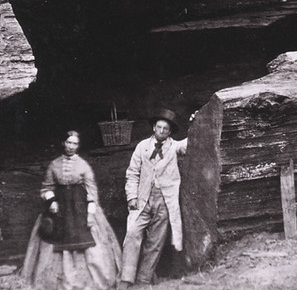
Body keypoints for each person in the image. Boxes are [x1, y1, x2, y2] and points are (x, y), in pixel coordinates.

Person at [22, 131, 122, 290]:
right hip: (60, 209)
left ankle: (87, 281)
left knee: (87, 239)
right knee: (54, 239)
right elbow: (46, 187)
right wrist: (51, 200)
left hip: (79, 207)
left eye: (74, 144)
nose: (71, 147)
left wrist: (90, 213)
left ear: (78, 146)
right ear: (63, 143)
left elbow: (92, 191)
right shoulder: (54, 164)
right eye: (69, 143)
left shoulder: (83, 165)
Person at [119, 109, 187, 288]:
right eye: (159, 127)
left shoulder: (174, 146)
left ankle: (143, 280)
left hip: (164, 202)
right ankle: (126, 280)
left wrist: (196, 121)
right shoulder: (142, 146)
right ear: (153, 128)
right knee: (132, 235)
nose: (162, 131)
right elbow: (132, 173)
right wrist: (132, 197)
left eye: (166, 129)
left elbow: (192, 142)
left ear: (170, 132)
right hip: (142, 200)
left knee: (155, 243)